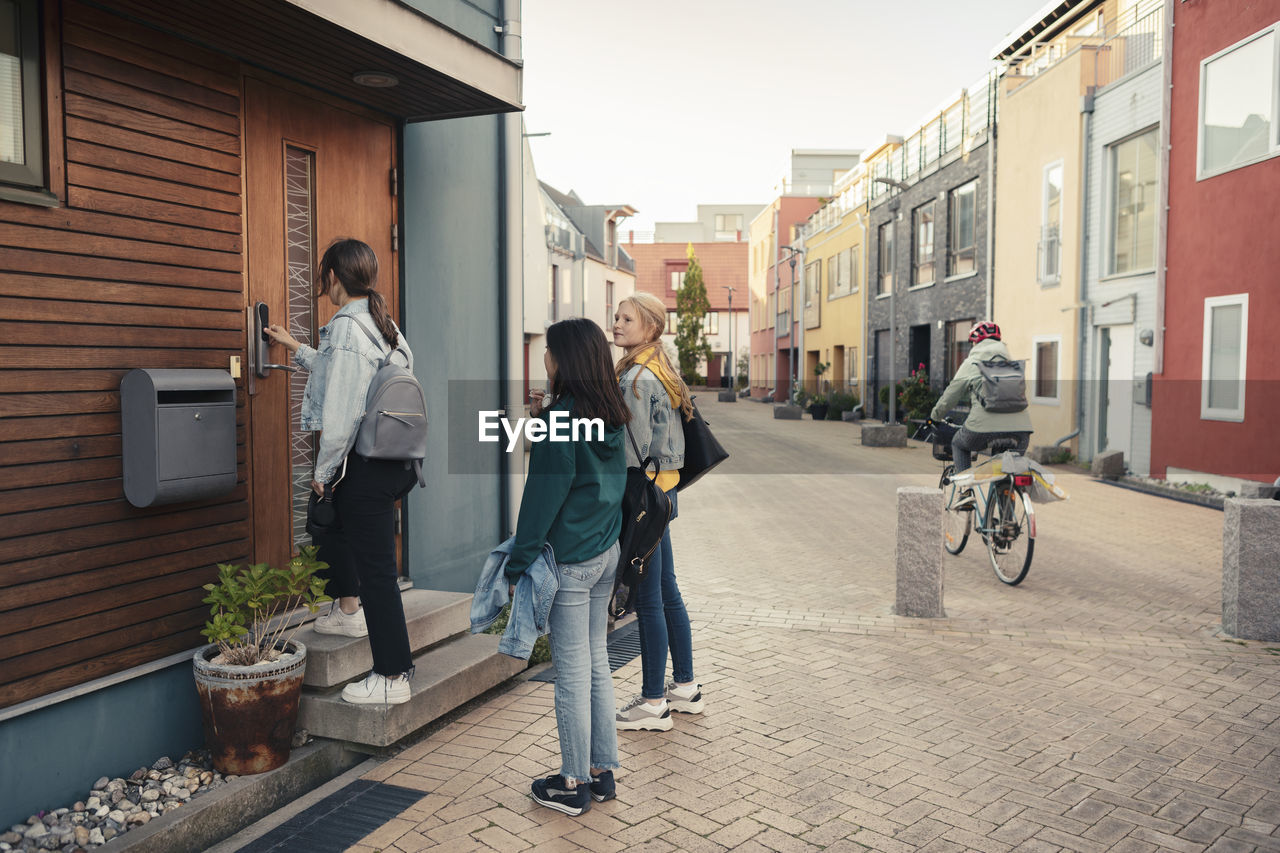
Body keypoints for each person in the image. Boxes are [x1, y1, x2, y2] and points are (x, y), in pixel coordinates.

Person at [264, 238, 419, 705]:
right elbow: (347, 375)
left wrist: (326, 468)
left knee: (376, 570)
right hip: (391, 458)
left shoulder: (350, 328)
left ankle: (392, 675)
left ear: (332, 275)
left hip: (362, 462)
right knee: (333, 527)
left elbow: (345, 406)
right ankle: (348, 607)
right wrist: (298, 349)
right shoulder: (381, 324)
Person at [511, 318, 630, 816]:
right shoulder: (611, 413)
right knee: (597, 662)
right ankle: (601, 773)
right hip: (606, 553)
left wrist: (518, 561)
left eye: (549, 351)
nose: (544, 358)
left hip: (573, 560)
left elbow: (541, 500)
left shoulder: (563, 419)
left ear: (565, 360)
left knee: (572, 671)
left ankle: (572, 781)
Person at [609, 292, 705, 732]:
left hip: (645, 502)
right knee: (667, 590)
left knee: (648, 599)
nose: (617, 324)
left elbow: (633, 454)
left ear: (650, 327)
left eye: (627, 319)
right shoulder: (663, 370)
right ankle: (683, 688)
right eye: (615, 317)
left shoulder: (635, 379)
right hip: (664, 498)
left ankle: (651, 703)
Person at [929, 321, 1034, 509]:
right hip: (1022, 432)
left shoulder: (972, 363)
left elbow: (950, 396)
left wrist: (935, 416)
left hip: (982, 429)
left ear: (976, 343)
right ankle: (1005, 526)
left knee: (959, 444)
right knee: (1004, 470)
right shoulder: (1013, 366)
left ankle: (965, 493)